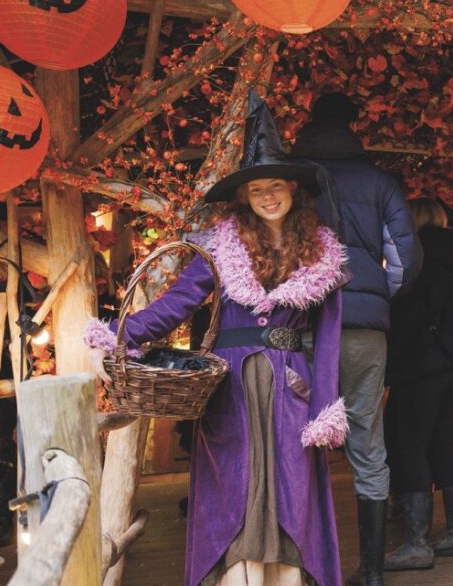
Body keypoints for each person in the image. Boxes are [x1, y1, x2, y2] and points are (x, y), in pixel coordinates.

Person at [85, 91, 350, 586]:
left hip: (292, 387)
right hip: (230, 389)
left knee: (291, 491)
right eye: (256, 191)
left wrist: (325, 406)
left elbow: (330, 337)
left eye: (276, 185)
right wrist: (118, 337)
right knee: (234, 491)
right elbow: (177, 304)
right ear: (244, 200)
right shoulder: (218, 248)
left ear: (293, 188)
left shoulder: (322, 256)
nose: (268, 196)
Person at [290, 91, 422, 586]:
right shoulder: (379, 182)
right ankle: (371, 572)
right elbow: (405, 261)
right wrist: (373, 297)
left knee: (297, 437)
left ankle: (301, 566)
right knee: (368, 440)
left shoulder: (291, 180)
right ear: (353, 128)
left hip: (300, 324)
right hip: (366, 330)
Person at [384, 199, 453, 570]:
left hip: (422, 368)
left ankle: (416, 543)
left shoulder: (421, 263)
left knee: (410, 447)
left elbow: (409, 321)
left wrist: (389, 364)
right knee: (444, 446)